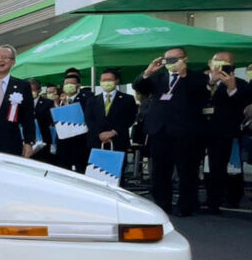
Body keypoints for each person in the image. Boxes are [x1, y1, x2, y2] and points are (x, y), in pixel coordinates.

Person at [132, 47, 209, 216]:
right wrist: (148, 72)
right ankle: (162, 204)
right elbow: (139, 86)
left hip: (185, 133)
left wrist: (183, 76)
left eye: (175, 59)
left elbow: (202, 97)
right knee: (159, 171)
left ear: (185, 59)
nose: (171, 63)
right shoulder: (158, 78)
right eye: (168, 60)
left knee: (187, 171)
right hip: (159, 131)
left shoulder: (197, 77)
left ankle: (186, 206)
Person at [202, 51, 251, 212]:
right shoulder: (201, 80)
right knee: (206, 167)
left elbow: (243, 106)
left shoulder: (241, 84)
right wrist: (210, 82)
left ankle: (227, 199)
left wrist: (232, 89)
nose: (221, 64)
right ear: (211, 63)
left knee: (225, 168)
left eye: (226, 62)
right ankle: (210, 199)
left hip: (225, 132)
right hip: (200, 130)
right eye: (218, 61)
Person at [85, 69, 137, 158]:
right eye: (103, 80)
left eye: (109, 80)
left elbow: (130, 118)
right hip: (96, 142)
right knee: (98, 170)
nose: (106, 82)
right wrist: (99, 133)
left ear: (116, 81)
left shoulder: (128, 99)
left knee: (116, 170)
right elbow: (89, 119)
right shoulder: (92, 100)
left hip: (118, 141)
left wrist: (114, 131)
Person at [55, 72, 90, 173]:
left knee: (80, 169)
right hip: (63, 143)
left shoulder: (85, 99)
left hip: (80, 142)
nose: (67, 86)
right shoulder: (60, 101)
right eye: (65, 84)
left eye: (70, 84)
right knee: (63, 170)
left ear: (78, 86)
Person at [30, 78, 54, 163]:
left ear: (39, 90)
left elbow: (51, 121)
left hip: (44, 140)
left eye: (33, 90)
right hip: (29, 142)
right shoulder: (21, 104)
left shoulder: (48, 103)